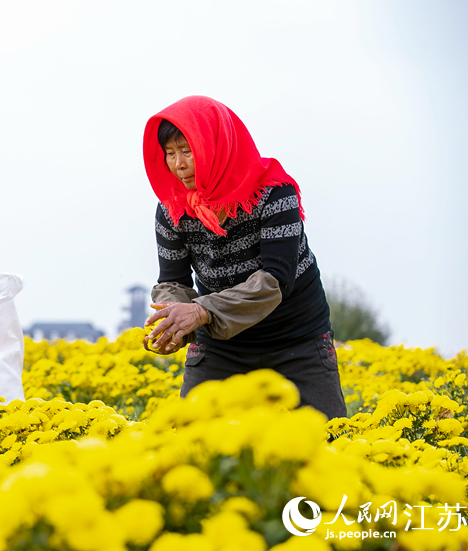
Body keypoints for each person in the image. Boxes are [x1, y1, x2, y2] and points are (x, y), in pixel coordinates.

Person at [142, 96, 345, 419]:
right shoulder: (172, 208)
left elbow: (275, 281)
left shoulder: (274, 193)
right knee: (193, 438)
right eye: (170, 153)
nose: (179, 164)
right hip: (222, 344)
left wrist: (201, 311)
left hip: (296, 340)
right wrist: (172, 320)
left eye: (187, 151)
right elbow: (173, 280)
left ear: (214, 147)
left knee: (329, 439)